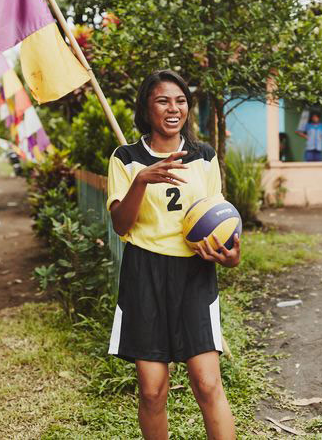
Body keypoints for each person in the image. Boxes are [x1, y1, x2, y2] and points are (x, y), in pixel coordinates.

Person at [107, 69, 240, 440]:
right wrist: (141, 181)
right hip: (144, 274)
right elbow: (120, 225)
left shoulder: (204, 156)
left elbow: (220, 219)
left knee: (207, 383)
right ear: (146, 108)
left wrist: (230, 256)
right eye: (163, 100)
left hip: (195, 274)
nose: (173, 108)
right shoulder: (126, 158)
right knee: (152, 390)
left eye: (180, 100)